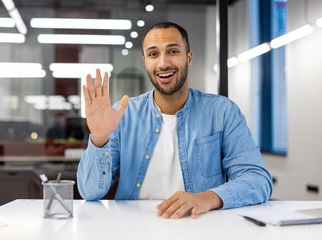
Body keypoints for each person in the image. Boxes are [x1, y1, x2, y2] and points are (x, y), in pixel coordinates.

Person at [77, 22, 273, 219]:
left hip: (200, 226)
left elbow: (258, 180)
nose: (163, 63)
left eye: (173, 51)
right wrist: (99, 138)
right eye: (153, 54)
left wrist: (208, 198)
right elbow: (90, 192)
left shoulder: (222, 112)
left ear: (188, 58)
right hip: (133, 228)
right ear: (145, 60)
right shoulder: (124, 114)